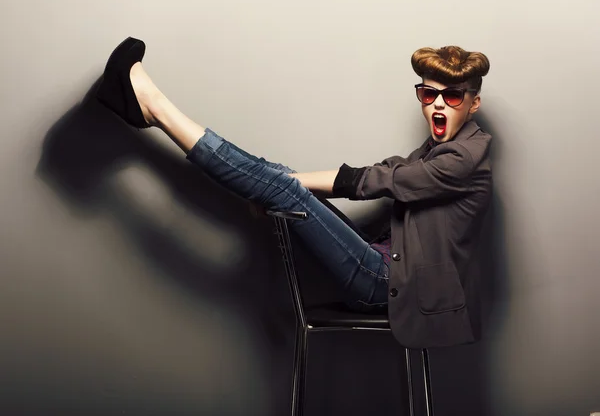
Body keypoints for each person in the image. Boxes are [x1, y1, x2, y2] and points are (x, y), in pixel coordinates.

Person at [95, 38, 492, 348]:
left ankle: (156, 108)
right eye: (428, 94)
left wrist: (286, 185)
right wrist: (284, 181)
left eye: (453, 96)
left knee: (285, 186)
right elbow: (390, 171)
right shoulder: (436, 150)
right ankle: (148, 109)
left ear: (473, 104)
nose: (438, 104)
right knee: (283, 181)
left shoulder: (465, 159)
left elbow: (380, 181)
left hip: (388, 285)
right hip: (384, 267)